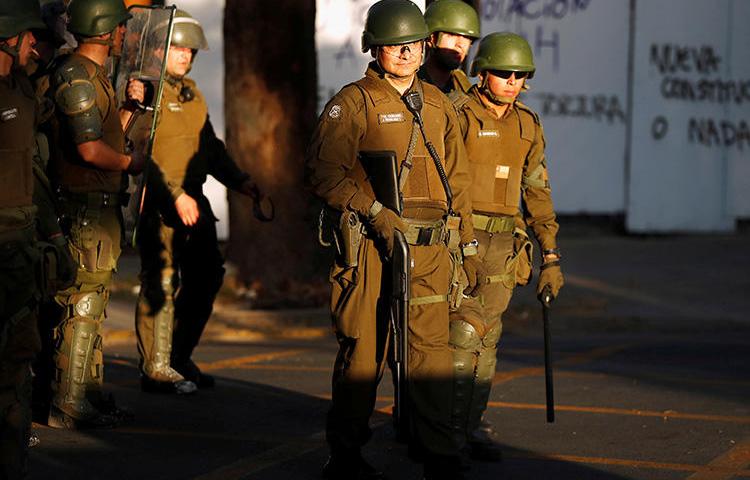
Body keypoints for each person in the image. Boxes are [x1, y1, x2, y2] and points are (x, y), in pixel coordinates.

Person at [305, 1, 482, 478]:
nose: (404, 54)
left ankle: (438, 452)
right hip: (370, 247)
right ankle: (344, 453)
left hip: (428, 250)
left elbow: (458, 181)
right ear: (375, 49)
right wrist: (375, 211)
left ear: (426, 46)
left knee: (430, 352)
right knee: (365, 350)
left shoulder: (439, 103)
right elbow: (324, 174)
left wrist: (465, 246)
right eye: (393, 46)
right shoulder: (355, 101)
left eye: (413, 45)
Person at [131, 9, 263, 394]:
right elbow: (141, 153)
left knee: (207, 277)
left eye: (190, 50)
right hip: (158, 202)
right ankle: (155, 369)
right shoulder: (144, 92)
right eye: (178, 48)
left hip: (195, 198)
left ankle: (177, 356)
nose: (186, 56)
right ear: (159, 49)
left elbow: (210, 148)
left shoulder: (192, 94)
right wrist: (173, 195)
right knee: (161, 280)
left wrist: (240, 181)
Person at [447, 32, 564, 462]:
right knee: (462, 337)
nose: (511, 81)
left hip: (504, 243)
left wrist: (550, 254)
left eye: (519, 75)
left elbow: (536, 191)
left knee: (489, 340)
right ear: (483, 72)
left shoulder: (527, 125)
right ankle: (448, 437)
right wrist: (460, 242)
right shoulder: (458, 115)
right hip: (460, 238)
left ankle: (471, 426)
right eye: (503, 73)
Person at [45, 0, 143, 429]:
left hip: (100, 208)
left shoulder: (96, 77)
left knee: (94, 302)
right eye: (119, 27)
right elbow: (89, 151)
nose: (124, 34)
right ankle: (68, 402)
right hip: (84, 208)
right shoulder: (76, 75)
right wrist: (131, 165)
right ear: (104, 30)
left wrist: (129, 110)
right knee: (82, 303)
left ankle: (85, 390)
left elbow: (105, 137)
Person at [0, 1, 51, 475]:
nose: (34, 44)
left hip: (20, 244)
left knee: (19, 356)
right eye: (27, 35)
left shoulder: (22, 87)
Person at [419, 0, 480, 95]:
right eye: (451, 35)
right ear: (432, 38)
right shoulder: (411, 85)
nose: (460, 44)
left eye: (467, 38)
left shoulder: (465, 89)